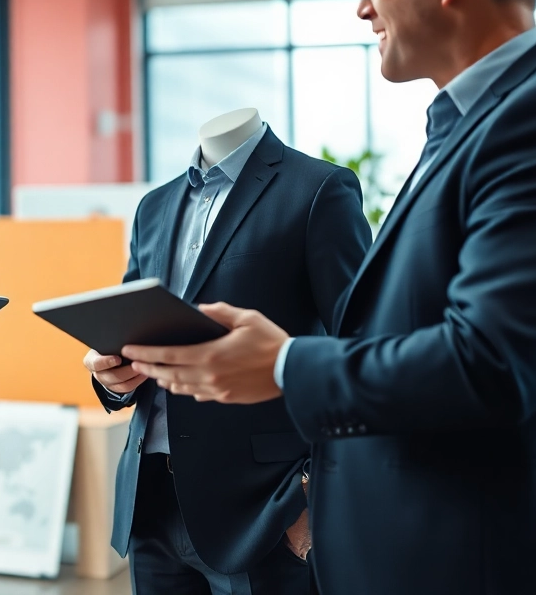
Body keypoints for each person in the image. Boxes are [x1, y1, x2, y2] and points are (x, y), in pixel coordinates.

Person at [120, 0, 536, 595]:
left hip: (493, 561)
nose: (362, 9)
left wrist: (281, 366)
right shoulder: (470, 127)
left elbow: (489, 366)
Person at [84, 106, 370, 595]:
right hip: (151, 504)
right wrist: (109, 378)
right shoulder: (154, 206)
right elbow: (132, 330)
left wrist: (310, 494)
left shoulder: (318, 188)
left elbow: (361, 347)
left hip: (263, 512)